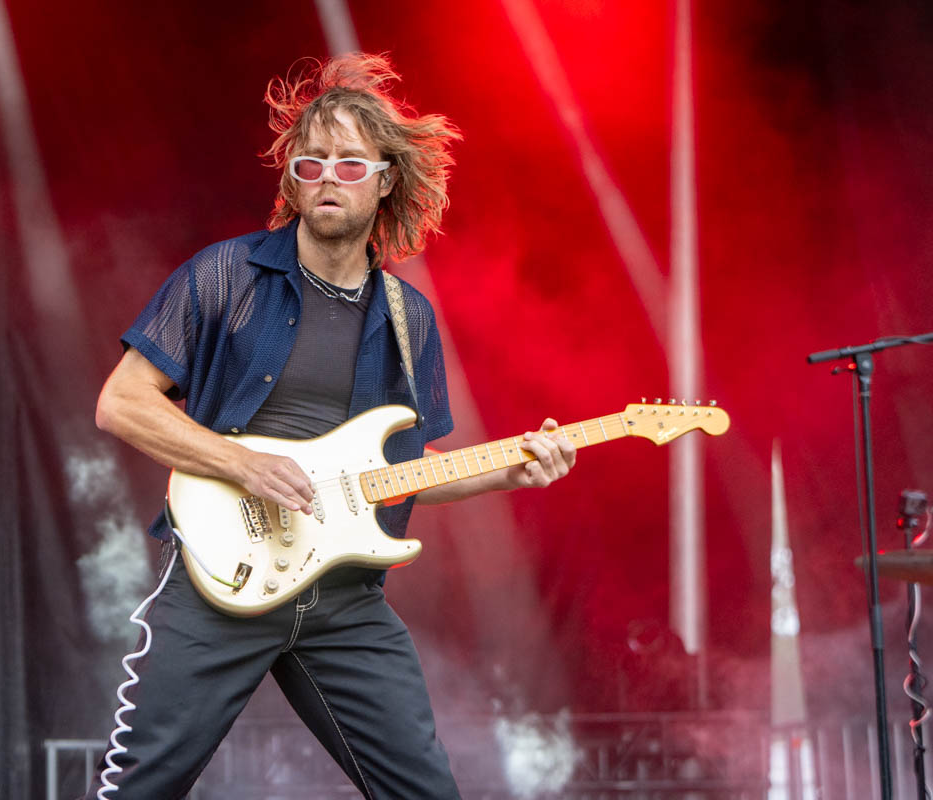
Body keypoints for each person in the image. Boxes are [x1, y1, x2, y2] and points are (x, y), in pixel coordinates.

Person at [84, 53, 577, 800]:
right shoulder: (227, 276)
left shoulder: (409, 319)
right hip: (221, 577)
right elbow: (121, 402)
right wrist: (241, 464)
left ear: (385, 181)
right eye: (309, 163)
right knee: (137, 788)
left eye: (349, 164)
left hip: (342, 600)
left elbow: (403, 470)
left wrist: (509, 470)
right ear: (291, 179)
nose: (326, 178)